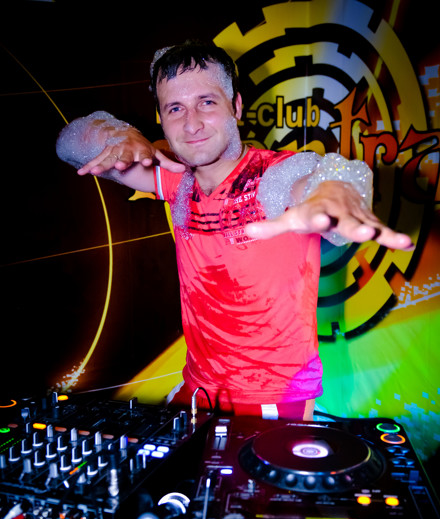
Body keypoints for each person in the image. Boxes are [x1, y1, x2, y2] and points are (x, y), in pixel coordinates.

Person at [56, 40, 413, 421]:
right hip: (197, 388)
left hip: (273, 399)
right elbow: (69, 145)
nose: (191, 123)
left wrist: (336, 188)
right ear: (160, 117)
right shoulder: (179, 179)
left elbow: (318, 180)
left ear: (236, 106)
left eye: (207, 102)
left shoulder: (276, 175)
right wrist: (115, 134)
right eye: (175, 108)